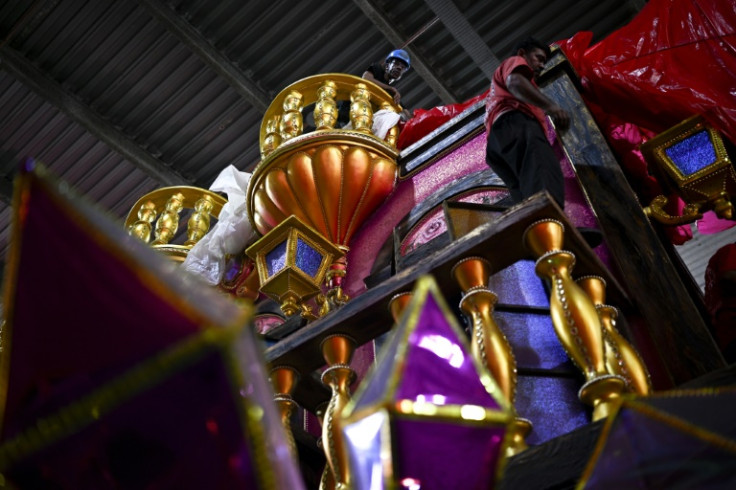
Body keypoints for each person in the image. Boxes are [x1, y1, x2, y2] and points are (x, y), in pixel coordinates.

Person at [484, 37, 570, 208]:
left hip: (497, 145)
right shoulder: (515, 63)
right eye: (539, 58)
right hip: (515, 124)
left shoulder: (496, 96)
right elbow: (515, 82)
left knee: (524, 195)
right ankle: (550, 220)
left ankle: (537, 225)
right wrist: (552, 107)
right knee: (543, 174)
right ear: (523, 54)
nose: (542, 65)